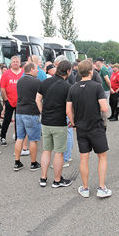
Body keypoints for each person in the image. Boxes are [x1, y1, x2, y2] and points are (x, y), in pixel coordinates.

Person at [67, 59, 111, 198]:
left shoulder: (72, 88)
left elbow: (68, 110)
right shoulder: (97, 87)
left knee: (84, 158)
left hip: (81, 127)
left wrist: (74, 122)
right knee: (102, 157)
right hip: (96, 126)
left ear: (79, 72)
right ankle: (101, 188)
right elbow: (104, 107)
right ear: (91, 71)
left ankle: (85, 188)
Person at [36, 60, 73, 188]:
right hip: (59, 122)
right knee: (59, 152)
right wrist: (72, 121)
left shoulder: (45, 82)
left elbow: (37, 99)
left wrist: (42, 112)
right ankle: (57, 180)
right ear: (68, 71)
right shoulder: (67, 87)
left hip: (45, 122)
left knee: (46, 151)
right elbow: (69, 108)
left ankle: (43, 177)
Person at [14, 63, 41, 171]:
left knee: (20, 137)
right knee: (33, 139)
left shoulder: (19, 81)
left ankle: (17, 162)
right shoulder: (37, 82)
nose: (38, 71)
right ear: (31, 69)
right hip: (31, 112)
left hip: (19, 111)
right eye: (36, 69)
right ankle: (33, 163)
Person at [0, 56, 24, 146]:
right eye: (13, 61)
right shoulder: (6, 74)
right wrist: (6, 100)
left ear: (20, 63)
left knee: (19, 121)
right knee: (7, 119)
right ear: (11, 63)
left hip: (20, 101)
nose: (15, 63)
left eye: (17, 61)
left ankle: (18, 137)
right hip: (9, 100)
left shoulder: (23, 73)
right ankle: (2, 137)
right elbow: (2, 88)